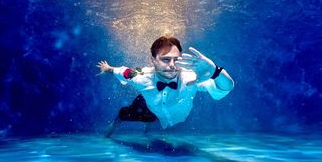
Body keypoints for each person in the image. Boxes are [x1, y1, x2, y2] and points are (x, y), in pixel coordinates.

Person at [97, 36, 234, 137]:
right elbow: (124, 71)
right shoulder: (142, 76)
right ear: (153, 60)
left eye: (176, 59)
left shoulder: (191, 77)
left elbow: (226, 88)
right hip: (149, 104)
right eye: (165, 59)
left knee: (153, 117)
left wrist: (216, 71)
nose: (172, 65)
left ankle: (149, 120)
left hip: (158, 108)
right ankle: (115, 124)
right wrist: (108, 68)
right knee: (129, 113)